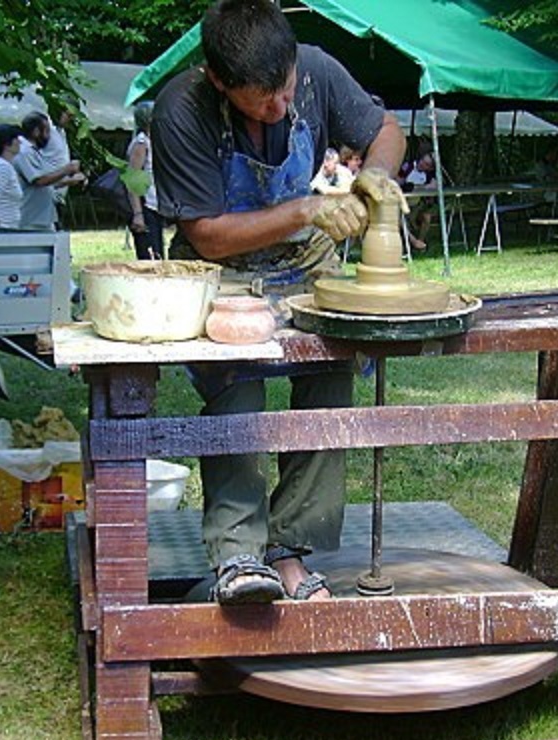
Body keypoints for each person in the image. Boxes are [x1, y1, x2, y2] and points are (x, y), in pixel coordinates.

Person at [151, 0, 405, 604]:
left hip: (305, 263)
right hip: (222, 270)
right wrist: (305, 208)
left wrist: (375, 174)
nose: (281, 107)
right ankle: (238, 555)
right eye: (262, 100)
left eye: (286, 90)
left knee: (328, 379)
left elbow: (385, 131)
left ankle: (291, 551)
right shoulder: (181, 108)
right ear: (218, 80)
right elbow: (208, 232)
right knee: (237, 392)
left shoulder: (314, 69)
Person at [12, 112, 85, 231]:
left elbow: (44, 186)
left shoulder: (33, 151)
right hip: (30, 219)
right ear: (36, 131)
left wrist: (68, 181)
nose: (48, 136)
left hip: (41, 218)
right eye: (46, 131)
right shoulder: (24, 152)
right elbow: (39, 181)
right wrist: (67, 169)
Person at [126, 102, 164, 259]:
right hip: (144, 206)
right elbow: (133, 180)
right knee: (150, 260)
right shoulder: (141, 143)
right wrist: (138, 214)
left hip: (154, 207)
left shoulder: (152, 140)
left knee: (158, 256)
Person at [39, 105, 75, 225]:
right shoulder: (47, 131)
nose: (70, 119)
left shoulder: (62, 132)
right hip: (48, 195)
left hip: (59, 196)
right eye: (68, 115)